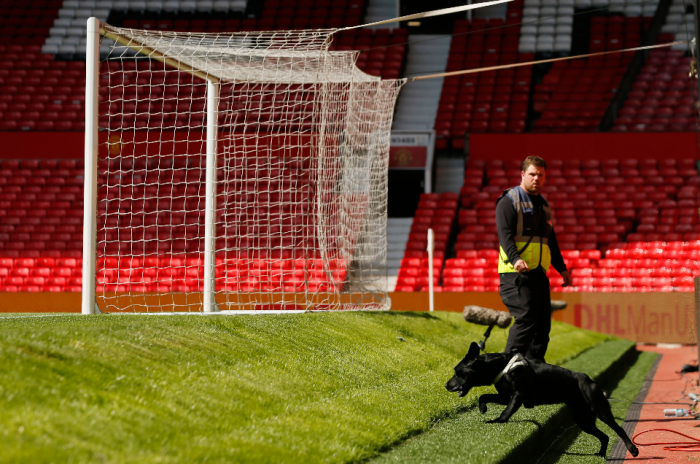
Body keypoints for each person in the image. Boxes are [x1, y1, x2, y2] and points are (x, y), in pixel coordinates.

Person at [495, 156, 571, 361]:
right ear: (522, 175)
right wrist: (516, 259)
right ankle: (506, 368)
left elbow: (550, 241)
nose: (536, 178)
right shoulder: (508, 201)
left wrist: (561, 268)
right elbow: (505, 237)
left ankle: (534, 368)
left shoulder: (544, 206)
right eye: (532, 174)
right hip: (514, 275)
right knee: (526, 318)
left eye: (540, 175)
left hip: (538, 275)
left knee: (542, 326)